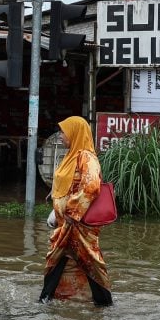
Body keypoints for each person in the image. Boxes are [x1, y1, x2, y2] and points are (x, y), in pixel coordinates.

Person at [39, 116, 113, 306]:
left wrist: (72, 211)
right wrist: (55, 195)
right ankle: (48, 298)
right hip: (68, 223)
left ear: (75, 133)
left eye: (64, 132)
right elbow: (68, 182)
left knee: (88, 261)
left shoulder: (86, 157)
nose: (62, 136)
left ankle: (105, 302)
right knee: (61, 256)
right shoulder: (71, 156)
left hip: (78, 223)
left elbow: (91, 186)